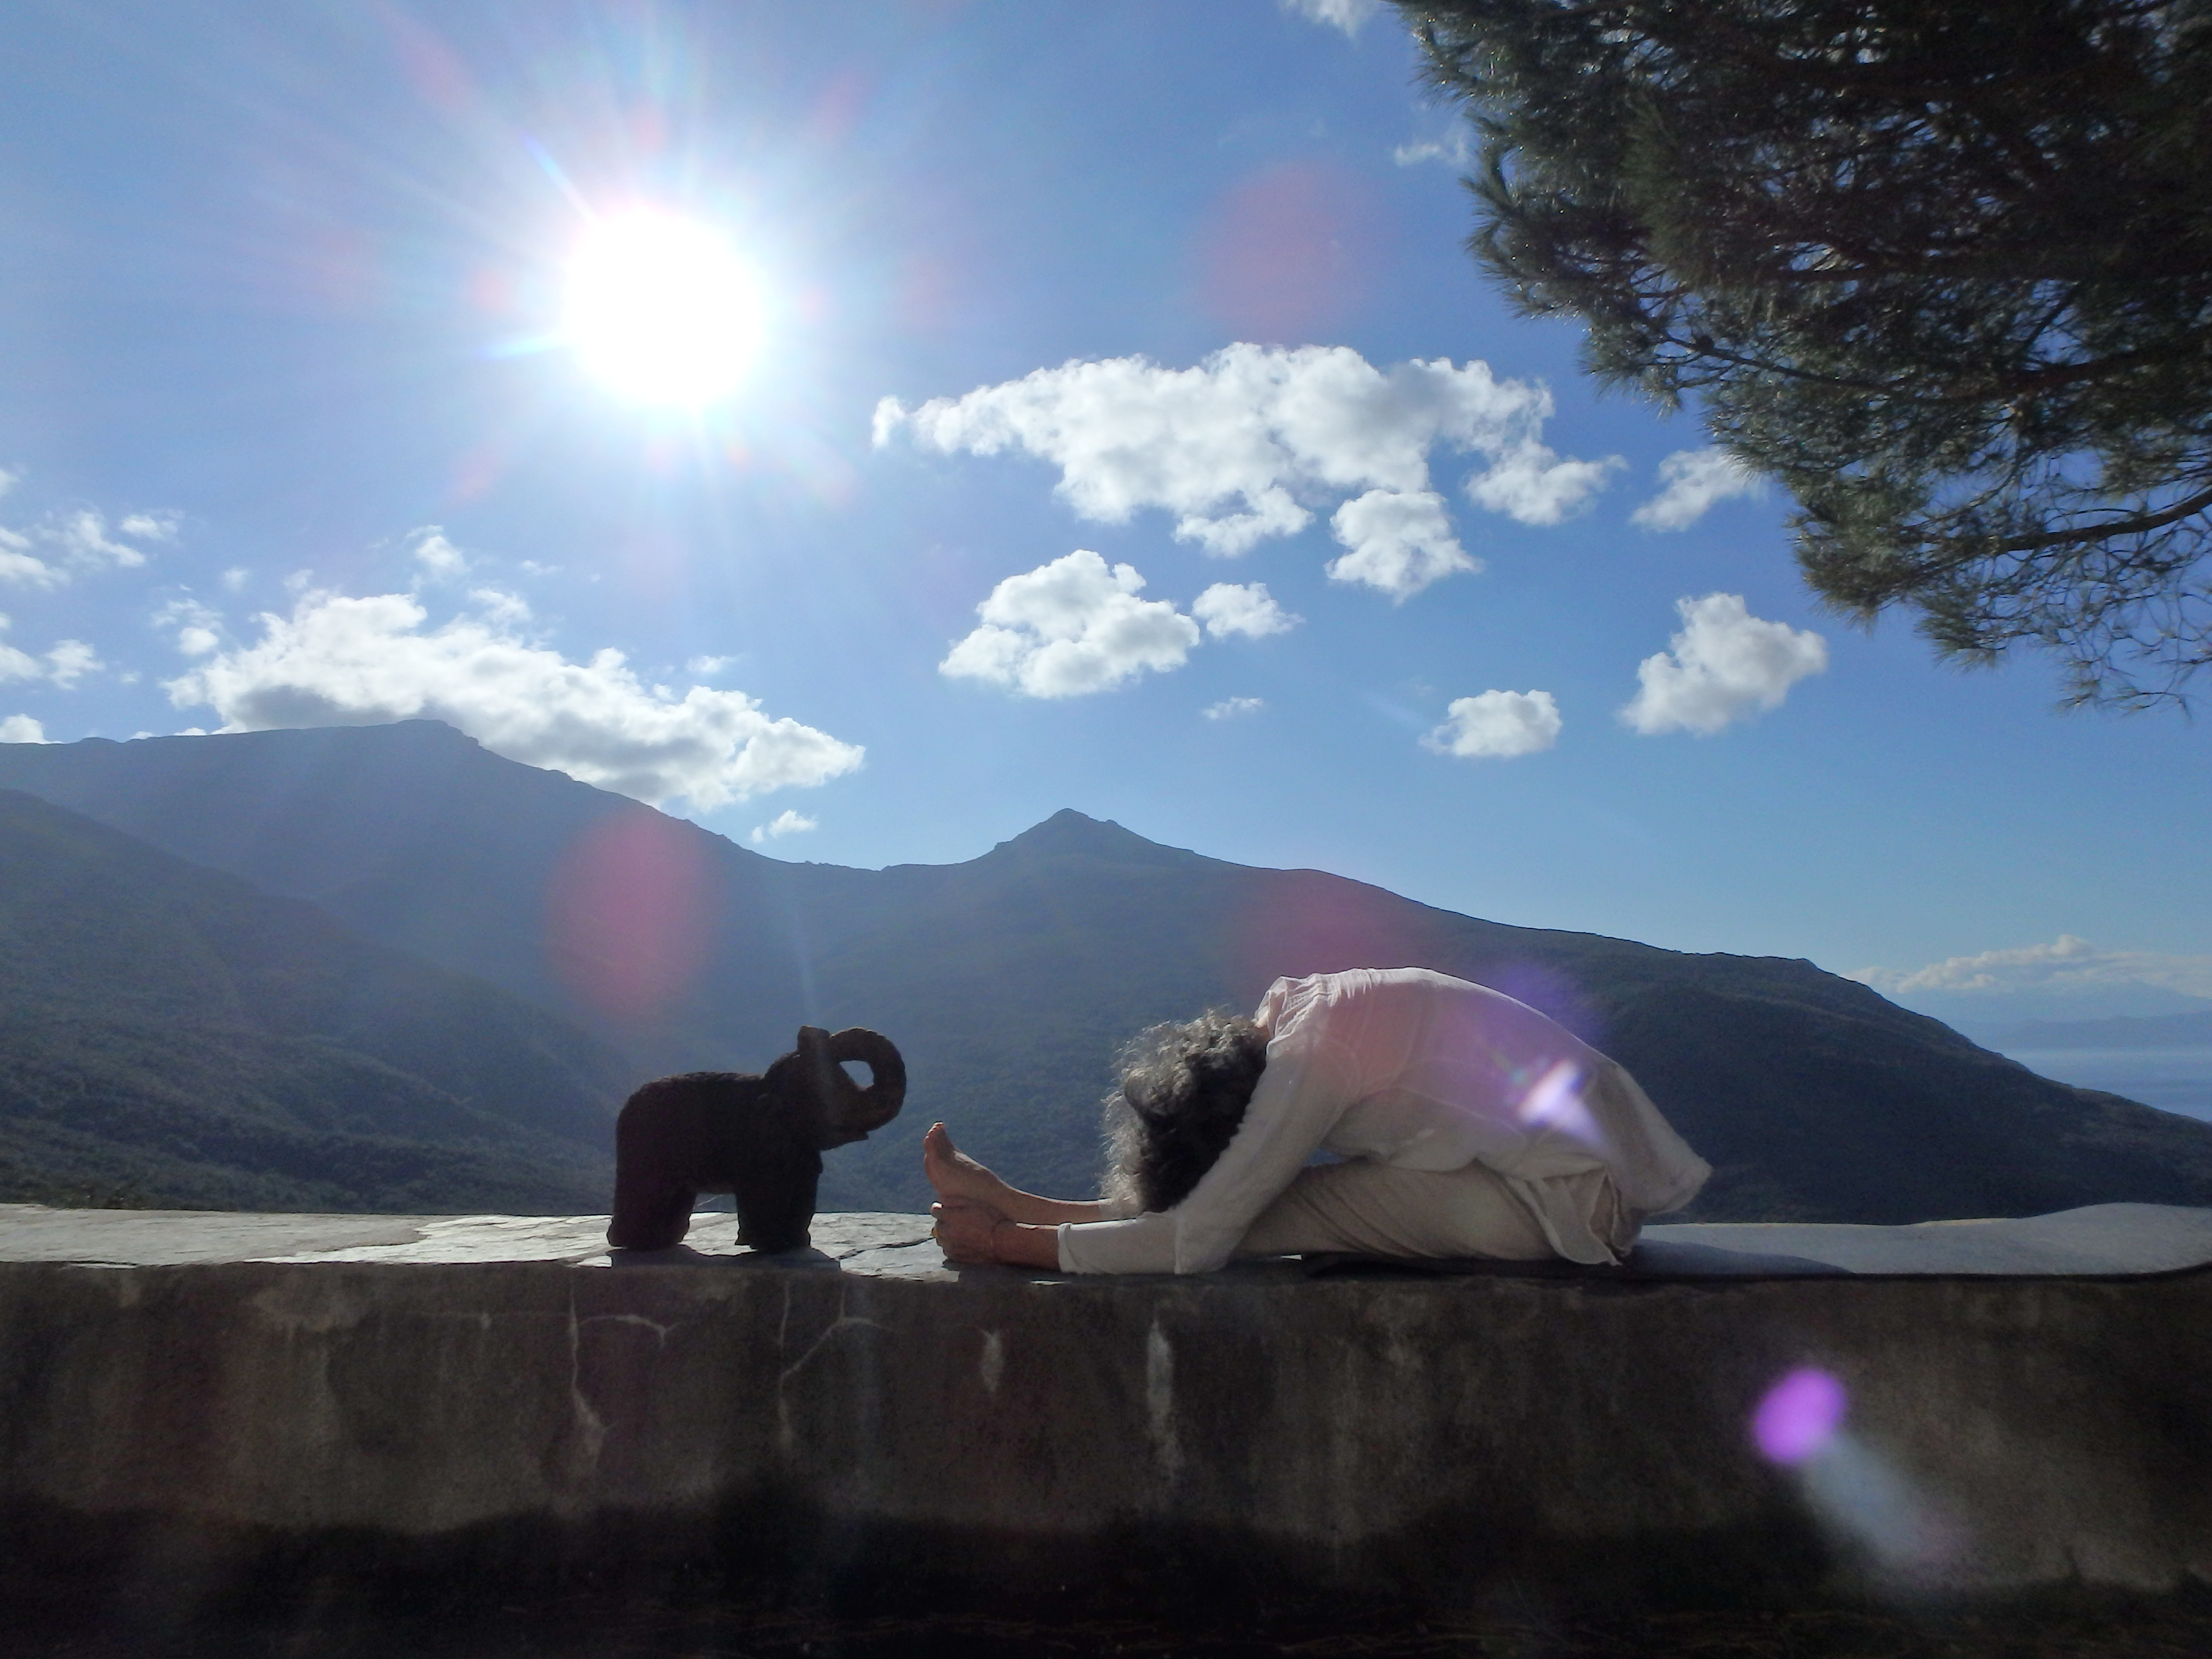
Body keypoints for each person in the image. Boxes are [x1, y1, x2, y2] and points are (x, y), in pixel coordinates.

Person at [925, 966, 1709, 1274]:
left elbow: (1197, 1241)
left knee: (1273, 1208)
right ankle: (1025, 1205)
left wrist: (1004, 1249)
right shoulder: (1298, 1008)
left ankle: (1019, 1216)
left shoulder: (1309, 1063)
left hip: (1567, 1204)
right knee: (1251, 1199)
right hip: (1564, 1168)